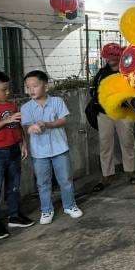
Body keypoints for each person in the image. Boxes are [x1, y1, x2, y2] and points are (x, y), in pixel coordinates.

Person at [21, 70, 83, 224]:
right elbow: (26, 126)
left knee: (65, 179)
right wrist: (31, 128)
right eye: (28, 87)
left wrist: (47, 124)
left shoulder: (57, 101)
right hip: (39, 152)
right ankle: (46, 210)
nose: (31, 90)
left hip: (59, 148)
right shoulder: (26, 108)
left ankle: (70, 205)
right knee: (43, 183)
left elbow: (63, 121)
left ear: (46, 87)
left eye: (35, 86)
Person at [0, 72, 34, 239]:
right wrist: (4, 121)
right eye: (4, 89)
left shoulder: (12, 105)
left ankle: (14, 216)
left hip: (13, 149)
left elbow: (17, 125)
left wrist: (23, 143)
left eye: (8, 89)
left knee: (14, 186)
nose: (7, 92)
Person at [92, 43, 135, 192]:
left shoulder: (127, 72)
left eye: (113, 57)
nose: (110, 60)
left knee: (127, 142)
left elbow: (134, 89)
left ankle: (130, 172)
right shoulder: (101, 74)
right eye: (108, 57)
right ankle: (107, 175)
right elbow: (94, 91)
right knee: (105, 144)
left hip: (124, 113)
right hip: (104, 113)